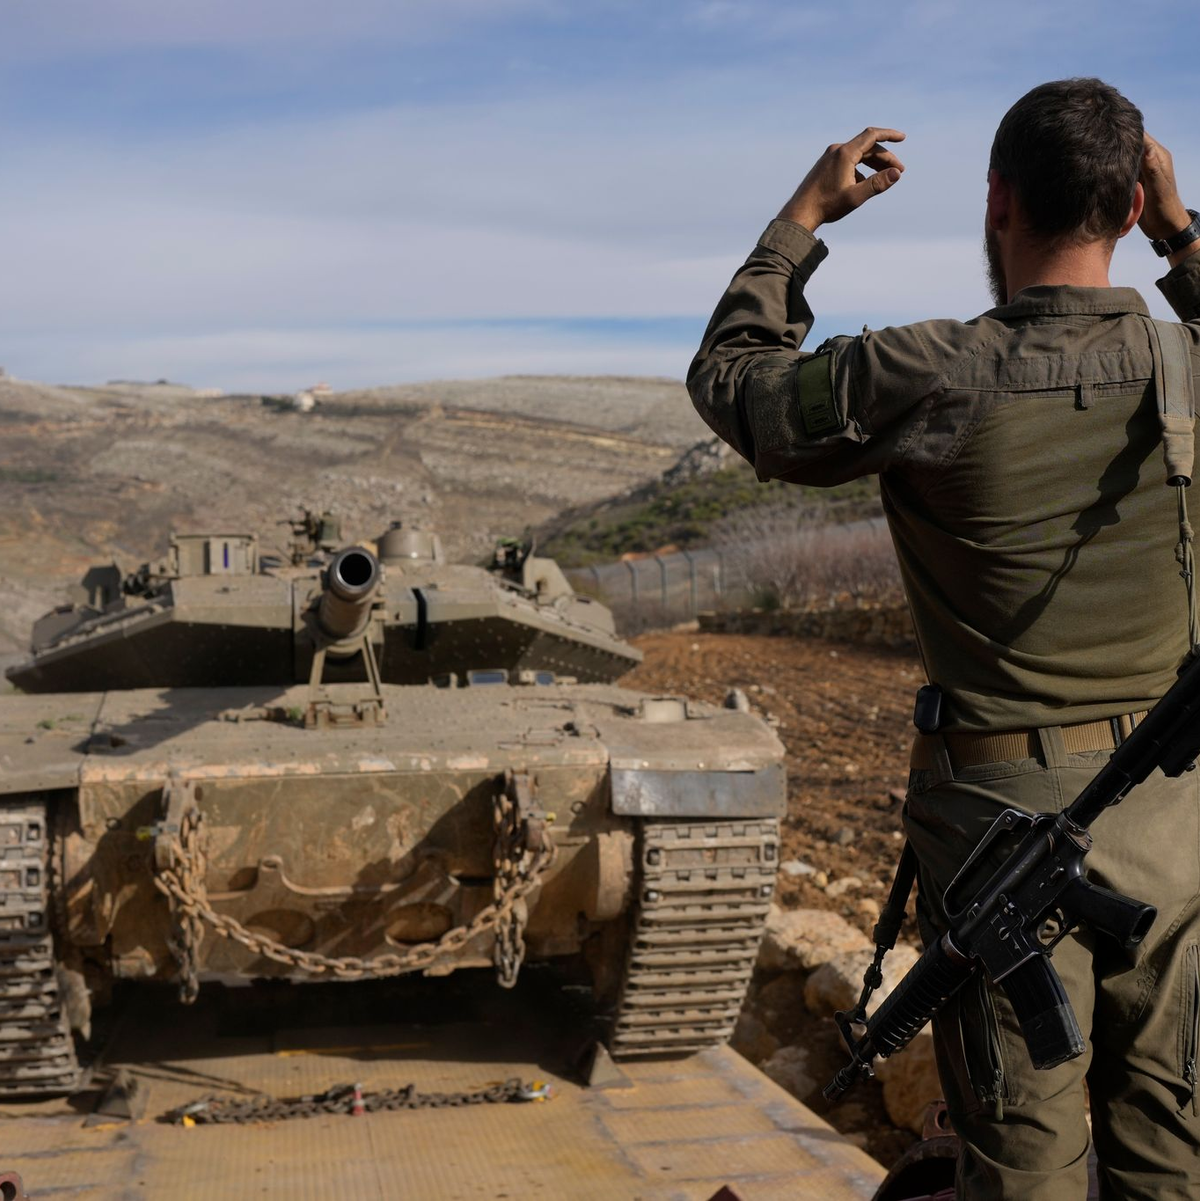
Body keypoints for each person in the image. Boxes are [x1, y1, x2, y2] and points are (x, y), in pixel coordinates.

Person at [687, 78, 1200, 1201]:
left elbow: (733, 385)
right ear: (1126, 205)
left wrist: (802, 219)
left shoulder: (933, 370)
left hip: (1002, 830)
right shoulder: (1186, 368)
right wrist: (1182, 232)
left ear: (997, 200)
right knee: (1173, 1152)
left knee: (1025, 1171)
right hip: (1174, 821)